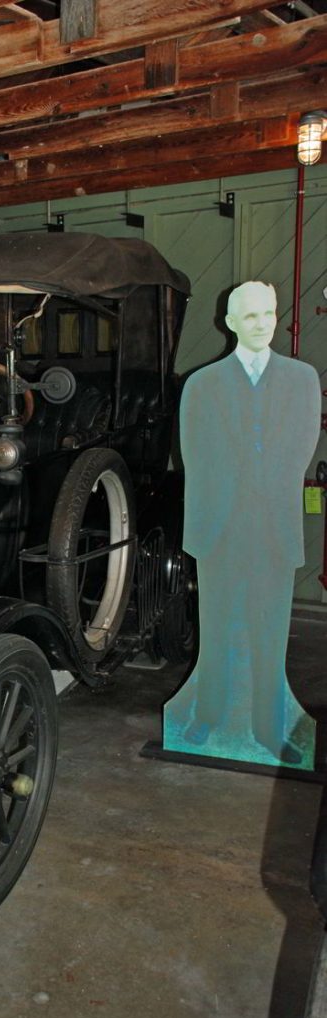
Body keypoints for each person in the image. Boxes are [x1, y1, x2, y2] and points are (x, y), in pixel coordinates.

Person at [165, 281, 321, 766]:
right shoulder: (202, 384)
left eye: (269, 313)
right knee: (215, 626)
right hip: (220, 527)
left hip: (273, 526)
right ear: (229, 322)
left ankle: (269, 728)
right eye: (250, 316)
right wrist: (227, 498)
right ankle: (207, 715)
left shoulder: (302, 378)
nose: (262, 323)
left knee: (270, 632)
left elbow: (301, 446)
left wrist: (259, 485)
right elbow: (193, 452)